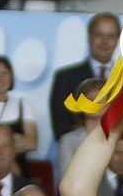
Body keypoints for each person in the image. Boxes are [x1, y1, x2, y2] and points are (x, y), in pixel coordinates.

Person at [48, 12, 119, 143]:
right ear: (89, 37)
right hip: (77, 150)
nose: (104, 41)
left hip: (118, 153)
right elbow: (60, 125)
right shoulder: (65, 78)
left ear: (118, 40)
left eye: (111, 36)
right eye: (99, 34)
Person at [0, 55, 37, 160]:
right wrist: (14, 141)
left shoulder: (23, 104)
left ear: (11, 78)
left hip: (17, 171)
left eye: (4, 73)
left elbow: (32, 143)